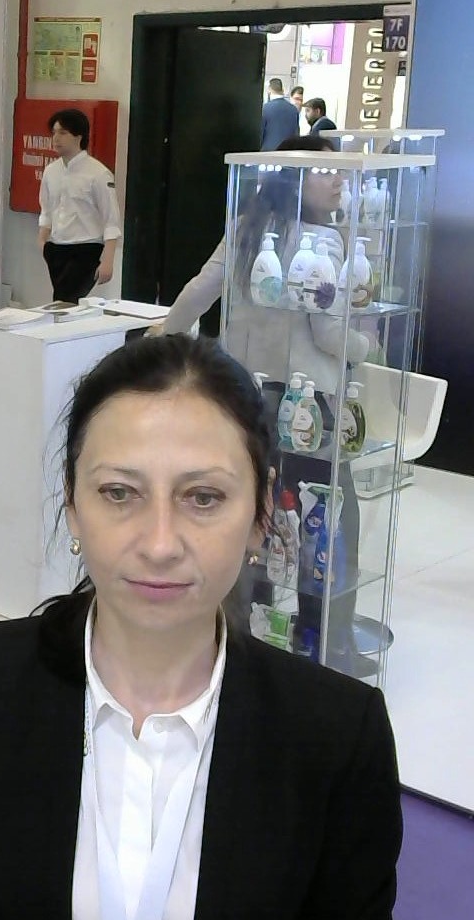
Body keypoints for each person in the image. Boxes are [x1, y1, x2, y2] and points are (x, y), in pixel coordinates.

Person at [0, 334, 402, 919]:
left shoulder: (338, 739)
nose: (159, 544)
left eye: (203, 497)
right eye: (119, 493)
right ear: (72, 504)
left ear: (261, 512)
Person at [157, 134, 373, 676]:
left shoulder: (246, 226)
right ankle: (327, 645)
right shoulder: (323, 241)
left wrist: (162, 336)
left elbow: (200, 290)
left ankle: (246, 634)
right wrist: (367, 344)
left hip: (246, 394)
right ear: (295, 178)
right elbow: (331, 335)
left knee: (253, 514)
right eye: (325, 171)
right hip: (311, 401)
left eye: (341, 172)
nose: (338, 180)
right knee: (328, 520)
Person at [38, 108, 122, 303]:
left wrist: (108, 260)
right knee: (63, 302)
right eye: (54, 133)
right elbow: (47, 209)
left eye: (63, 133)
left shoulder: (98, 173)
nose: (56, 138)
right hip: (57, 247)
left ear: (78, 136)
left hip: (86, 248)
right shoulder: (51, 171)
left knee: (65, 300)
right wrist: (42, 242)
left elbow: (111, 219)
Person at [260, 77, 300, 151]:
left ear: (269, 90)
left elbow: (260, 134)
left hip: (268, 152)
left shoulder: (264, 109)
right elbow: (296, 134)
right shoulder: (293, 109)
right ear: (282, 90)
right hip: (288, 152)